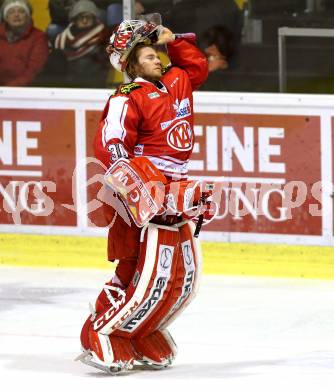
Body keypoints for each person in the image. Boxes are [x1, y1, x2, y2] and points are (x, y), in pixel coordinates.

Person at [76, 19, 217, 374]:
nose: (157, 60)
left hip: (176, 186)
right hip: (145, 186)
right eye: (150, 56)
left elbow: (197, 67)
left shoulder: (176, 82)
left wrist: (173, 43)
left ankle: (139, 331)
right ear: (132, 65)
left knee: (171, 271)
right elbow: (111, 144)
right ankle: (102, 330)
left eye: (158, 55)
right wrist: (136, 187)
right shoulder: (127, 97)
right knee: (135, 263)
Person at [54, 0, 109, 87]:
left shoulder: (102, 37)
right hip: (66, 88)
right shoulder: (63, 38)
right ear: (75, 20)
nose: (84, 21)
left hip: (91, 85)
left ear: (94, 19)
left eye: (88, 17)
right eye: (81, 17)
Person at [0, 0, 49, 86]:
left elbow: (34, 69)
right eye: (11, 12)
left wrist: (10, 87)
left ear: (28, 16)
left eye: (21, 11)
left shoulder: (38, 37)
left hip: (24, 89)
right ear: (6, 17)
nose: (16, 15)